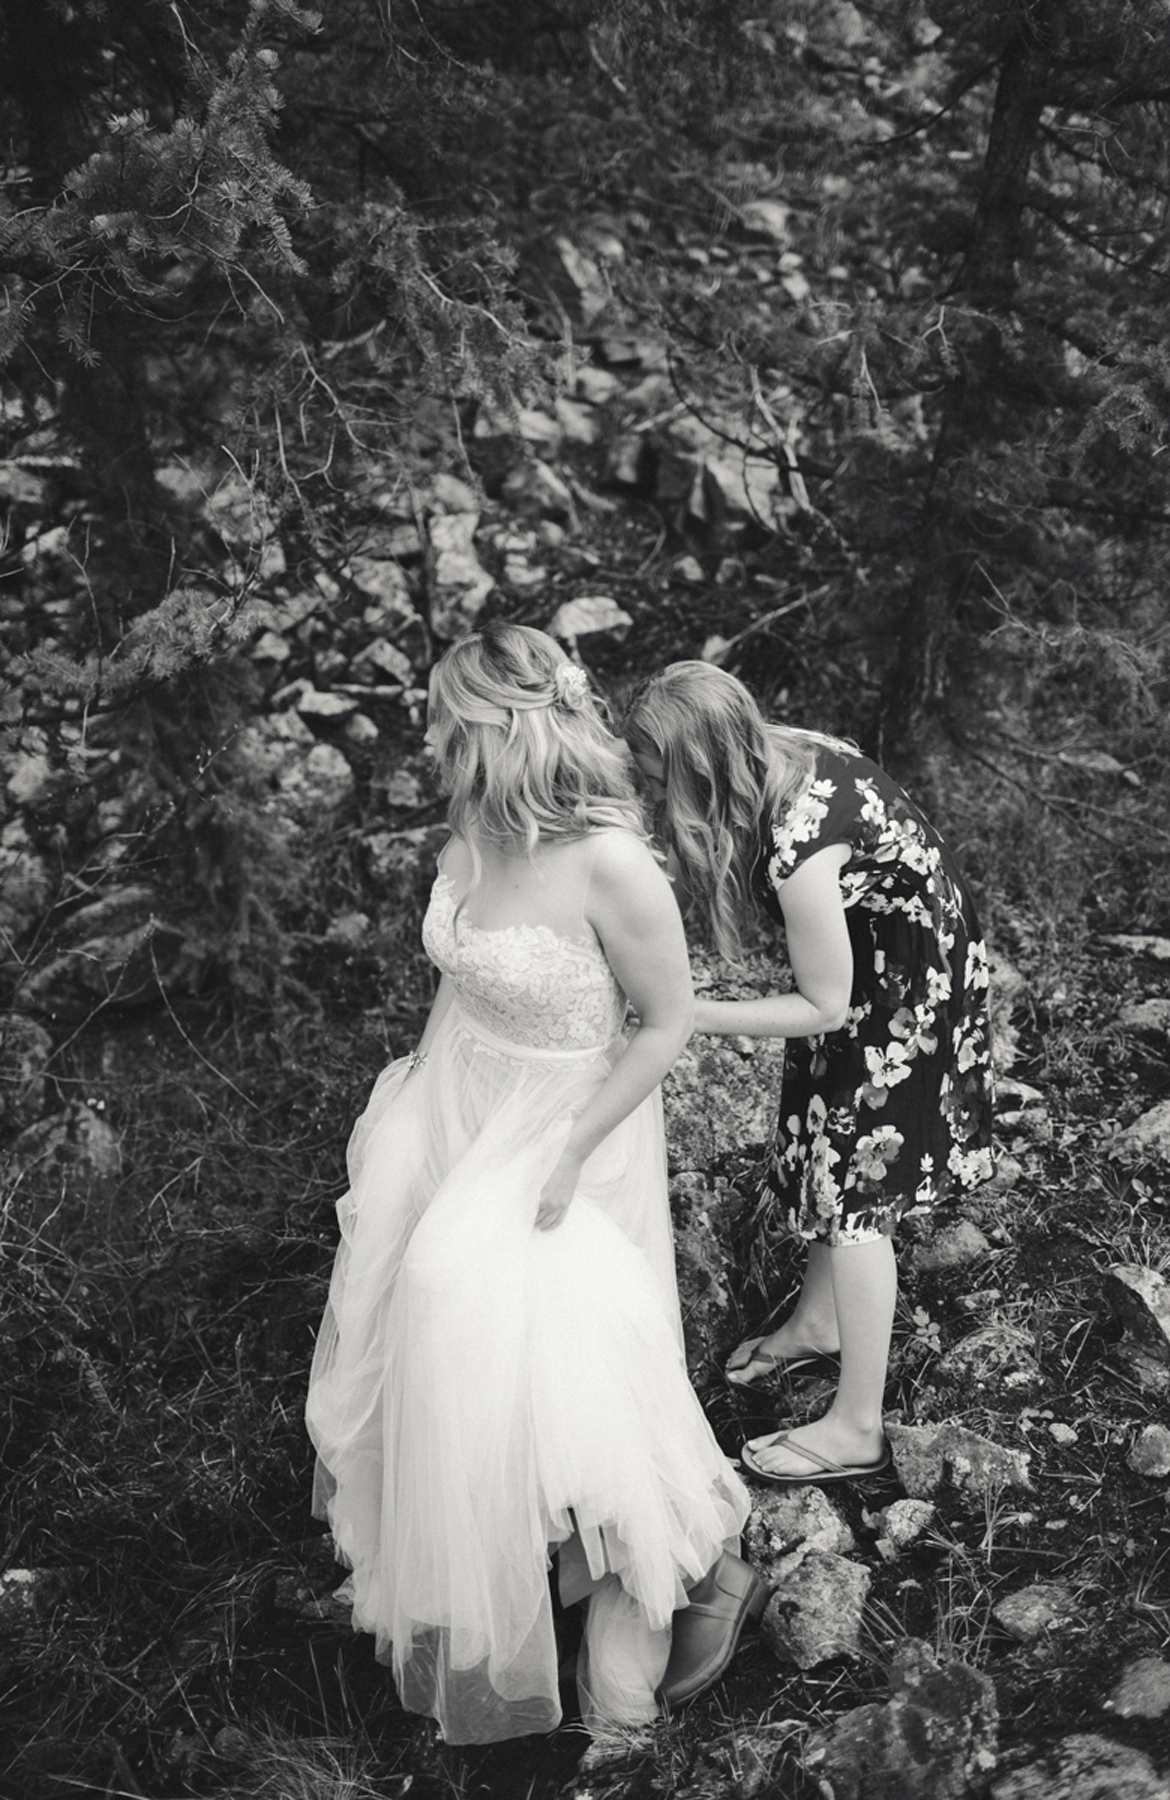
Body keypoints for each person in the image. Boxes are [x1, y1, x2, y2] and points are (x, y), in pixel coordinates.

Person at [305, 624, 763, 1745]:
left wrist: (564, 1154)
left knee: (507, 1332)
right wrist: (415, 1103)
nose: (424, 736)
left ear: (494, 728)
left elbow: (662, 1029)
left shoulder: (613, 861)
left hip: (571, 1122)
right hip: (463, 1096)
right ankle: (513, 1573)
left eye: (440, 718)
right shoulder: (472, 824)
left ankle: (657, 1622)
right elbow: (461, 974)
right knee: (439, 1341)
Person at [623, 662, 993, 1486]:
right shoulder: (781, 749)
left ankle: (857, 1424)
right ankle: (821, 1321)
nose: (646, 785)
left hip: (906, 990)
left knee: (858, 1196)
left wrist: (685, 1014)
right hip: (874, 961)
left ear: (697, 766)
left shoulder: (799, 849)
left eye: (653, 771)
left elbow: (824, 1007)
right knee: (823, 1138)